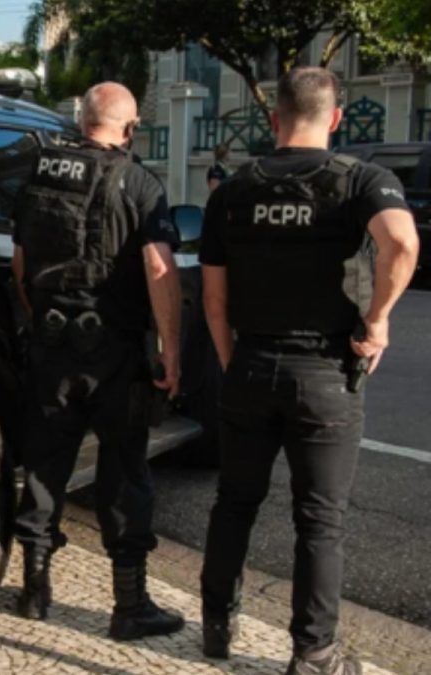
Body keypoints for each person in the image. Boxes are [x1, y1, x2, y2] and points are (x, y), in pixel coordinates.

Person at [198, 67, 420, 675]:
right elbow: (402, 244)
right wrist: (377, 321)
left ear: (274, 119)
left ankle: (215, 626)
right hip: (324, 373)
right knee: (320, 521)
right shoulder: (361, 180)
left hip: (249, 365)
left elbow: (214, 299)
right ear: (336, 118)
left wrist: (231, 360)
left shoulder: (232, 191)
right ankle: (314, 654)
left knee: (234, 502)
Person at [11, 82, 185, 641]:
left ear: (81, 121)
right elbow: (159, 268)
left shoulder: (40, 174)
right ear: (129, 129)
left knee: (45, 464)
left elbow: (20, 264)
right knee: (124, 471)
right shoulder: (138, 182)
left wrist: (40, 316)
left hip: (50, 345)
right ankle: (130, 606)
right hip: (114, 352)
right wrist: (170, 350)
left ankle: (34, 591)